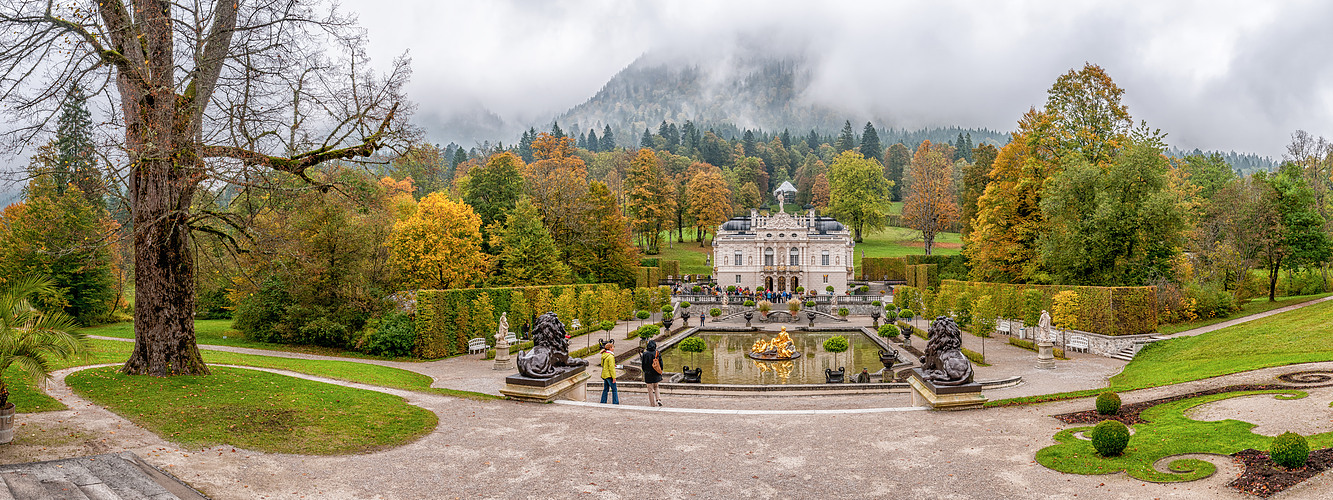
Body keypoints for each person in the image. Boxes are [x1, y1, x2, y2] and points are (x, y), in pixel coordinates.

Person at [640, 340, 664, 407]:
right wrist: (661, 370)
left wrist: (644, 371)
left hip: (648, 373)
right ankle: (658, 399)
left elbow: (643, 364)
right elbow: (661, 363)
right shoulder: (657, 352)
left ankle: (652, 404)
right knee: (656, 386)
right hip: (656, 372)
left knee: (650, 389)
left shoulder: (645, 354)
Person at [599, 339, 619, 404]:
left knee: (605, 389)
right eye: (613, 347)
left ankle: (603, 401)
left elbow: (602, 364)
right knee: (614, 390)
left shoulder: (604, 355)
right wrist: (614, 377)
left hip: (605, 374)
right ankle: (615, 402)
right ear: (610, 348)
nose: (613, 348)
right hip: (609, 375)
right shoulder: (610, 356)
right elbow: (611, 368)